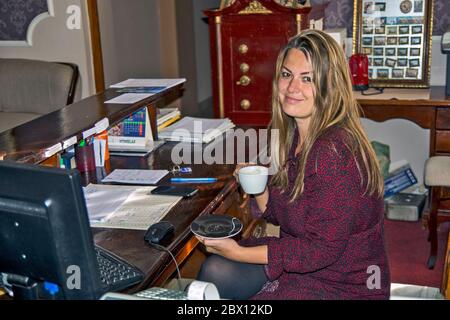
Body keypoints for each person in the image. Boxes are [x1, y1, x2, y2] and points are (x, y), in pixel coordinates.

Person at [196, 29, 391, 300]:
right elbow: (292, 218)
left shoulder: (332, 152)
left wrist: (238, 252)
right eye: (287, 75)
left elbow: (320, 250)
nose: (292, 88)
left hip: (344, 285)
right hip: (308, 267)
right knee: (215, 271)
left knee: (225, 272)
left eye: (307, 79)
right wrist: (260, 188)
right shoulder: (298, 135)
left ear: (330, 86)